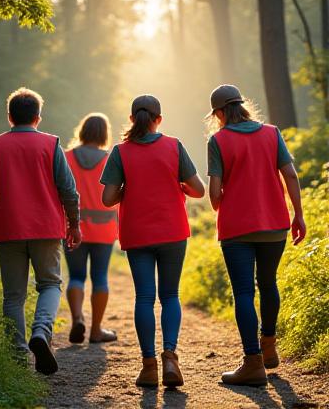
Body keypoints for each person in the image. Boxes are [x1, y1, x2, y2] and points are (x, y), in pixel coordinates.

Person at [0, 87, 81, 375]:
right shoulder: (51, 144)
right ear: (38, 117)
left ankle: (17, 360)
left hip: (8, 229)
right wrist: (74, 224)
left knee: (13, 296)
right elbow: (69, 190)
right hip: (46, 228)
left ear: (9, 117)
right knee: (50, 284)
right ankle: (41, 332)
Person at [101, 95, 205, 388]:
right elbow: (199, 190)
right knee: (170, 296)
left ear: (133, 119)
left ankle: (148, 366)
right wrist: (176, 182)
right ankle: (170, 357)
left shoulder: (121, 152)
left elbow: (107, 198)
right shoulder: (174, 146)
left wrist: (128, 188)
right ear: (159, 119)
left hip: (138, 234)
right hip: (172, 231)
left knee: (145, 297)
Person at [206, 84, 306, 386]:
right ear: (243, 105)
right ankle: (269, 347)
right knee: (268, 282)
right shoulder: (272, 133)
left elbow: (214, 195)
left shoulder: (218, 140)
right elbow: (290, 174)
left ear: (220, 113)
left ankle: (252, 363)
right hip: (274, 224)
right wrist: (298, 214)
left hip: (236, 229)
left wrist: (226, 198)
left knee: (244, 293)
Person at [64, 113, 118, 344]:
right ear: (105, 134)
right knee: (100, 278)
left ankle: (77, 319)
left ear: (82, 131)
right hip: (105, 228)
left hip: (72, 228)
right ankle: (96, 330)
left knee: (76, 276)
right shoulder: (110, 160)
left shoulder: (65, 158)